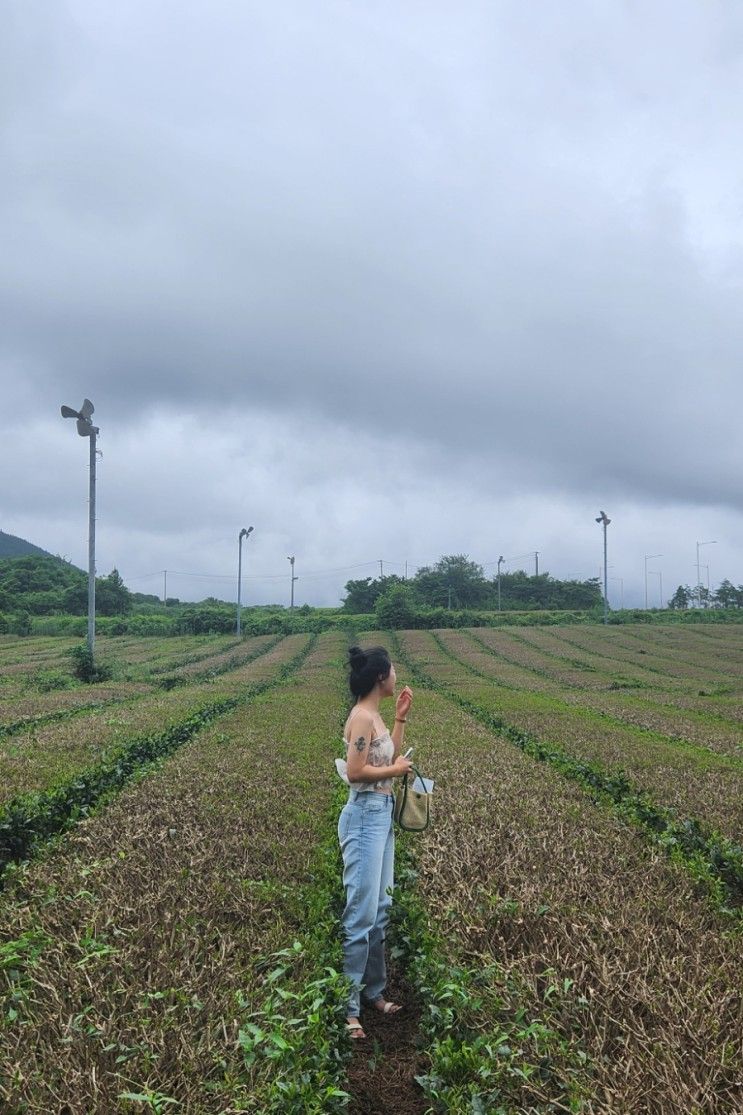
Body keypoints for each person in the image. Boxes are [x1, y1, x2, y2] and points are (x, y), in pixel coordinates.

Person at [337, 644, 414, 1040]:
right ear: (381, 677)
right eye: (394, 670)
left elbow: (386, 761)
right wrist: (398, 768)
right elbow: (355, 771)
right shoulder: (362, 717)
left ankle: (374, 992)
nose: (397, 676)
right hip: (364, 816)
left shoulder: (379, 717)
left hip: (380, 816)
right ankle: (350, 1009)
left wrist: (400, 721)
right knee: (361, 913)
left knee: (381, 907)